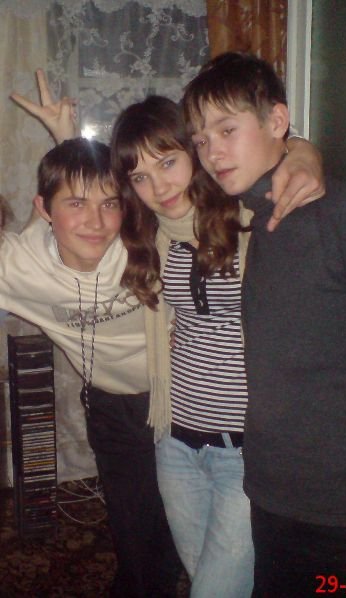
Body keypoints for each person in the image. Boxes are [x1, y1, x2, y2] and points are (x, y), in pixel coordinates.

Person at [8, 69, 325, 597]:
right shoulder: (129, 241)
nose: (95, 221)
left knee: (218, 578)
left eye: (169, 162)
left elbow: (270, 157)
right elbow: (86, 190)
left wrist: (302, 151)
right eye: (139, 179)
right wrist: (66, 141)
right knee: (148, 550)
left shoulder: (210, 224)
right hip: (152, 420)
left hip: (226, 431)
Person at [182, 52, 346, 597]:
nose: (212, 152)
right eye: (201, 140)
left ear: (277, 120)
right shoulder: (247, 224)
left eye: (227, 129)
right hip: (270, 496)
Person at [0, 138, 182, 598]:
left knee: (184, 522)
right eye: (76, 204)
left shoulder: (149, 241)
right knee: (131, 523)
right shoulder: (18, 266)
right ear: (44, 209)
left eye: (109, 204)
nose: (96, 222)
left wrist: (299, 151)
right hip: (111, 407)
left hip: (183, 399)